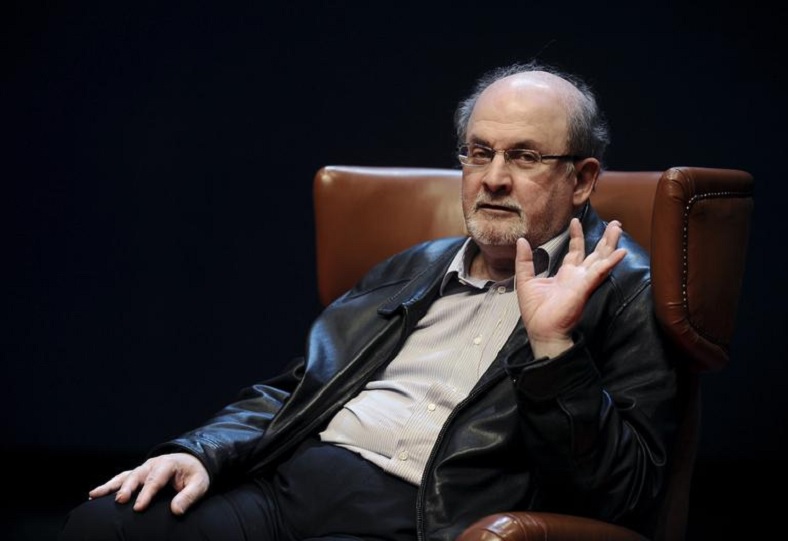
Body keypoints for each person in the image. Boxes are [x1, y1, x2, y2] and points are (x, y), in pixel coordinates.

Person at [59, 60, 678, 541]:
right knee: (104, 524)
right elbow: (296, 390)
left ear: (583, 180)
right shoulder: (417, 265)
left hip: (418, 517)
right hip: (288, 489)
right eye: (479, 152)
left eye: (524, 157)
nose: (492, 177)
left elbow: (623, 494)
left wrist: (553, 350)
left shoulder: (624, 292)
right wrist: (201, 453)